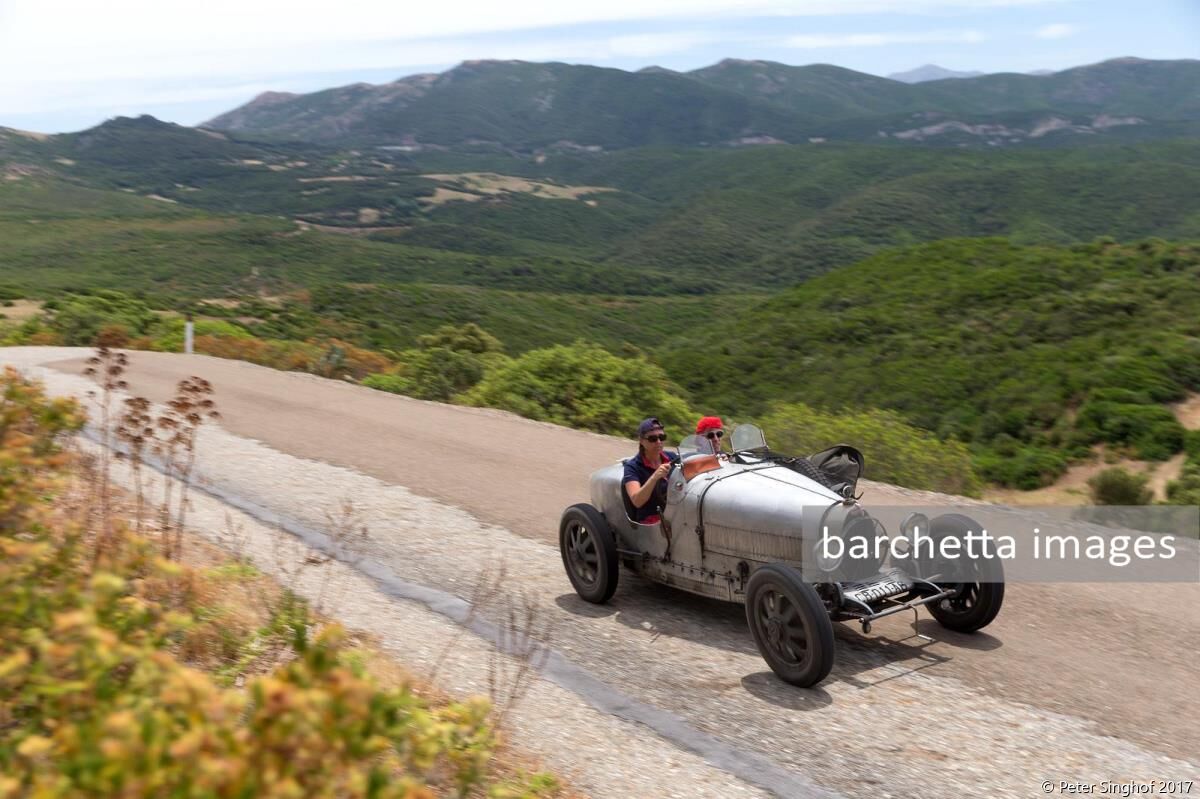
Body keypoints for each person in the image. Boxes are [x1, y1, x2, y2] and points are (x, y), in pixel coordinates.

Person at [623, 417, 679, 525]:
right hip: (652, 521)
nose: (658, 442)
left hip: (675, 513)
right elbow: (637, 501)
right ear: (641, 441)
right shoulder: (632, 467)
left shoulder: (672, 457)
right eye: (652, 439)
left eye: (662, 437)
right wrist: (654, 477)